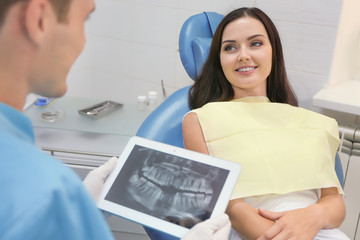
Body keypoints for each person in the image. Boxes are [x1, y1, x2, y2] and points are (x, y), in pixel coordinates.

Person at [0, 0, 230, 239]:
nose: (84, 41)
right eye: (84, 20)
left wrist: (82, 212)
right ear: (39, 20)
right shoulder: (44, 194)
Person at [182, 7, 349, 240]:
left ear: (274, 52)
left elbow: (334, 203)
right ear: (219, 60)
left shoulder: (313, 123)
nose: (243, 55)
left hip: (321, 231)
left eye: (255, 43)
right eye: (230, 47)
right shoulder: (200, 121)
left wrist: (313, 216)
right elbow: (231, 207)